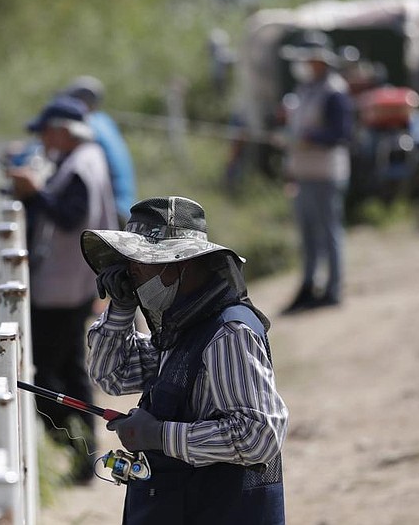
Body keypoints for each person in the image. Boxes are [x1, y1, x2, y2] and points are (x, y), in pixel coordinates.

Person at [80, 196, 288, 524]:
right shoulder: (180, 329)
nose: (131, 273)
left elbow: (260, 435)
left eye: (141, 261)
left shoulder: (228, 333)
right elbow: (111, 375)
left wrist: (161, 436)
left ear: (181, 264)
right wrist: (120, 308)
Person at [8, 94, 119, 483]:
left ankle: (74, 451)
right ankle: (83, 455)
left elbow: (71, 217)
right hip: (71, 285)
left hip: (61, 289)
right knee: (71, 370)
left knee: (48, 377)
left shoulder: (79, 166)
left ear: (61, 131)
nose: (42, 140)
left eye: (45, 132)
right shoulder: (86, 159)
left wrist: (34, 193)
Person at [279, 30, 355, 314]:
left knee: (329, 233)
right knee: (308, 235)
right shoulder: (305, 89)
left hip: (326, 175)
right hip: (303, 173)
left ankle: (333, 289)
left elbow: (342, 134)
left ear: (320, 61)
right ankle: (309, 285)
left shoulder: (335, 91)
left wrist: (311, 138)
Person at [64, 75, 137, 227]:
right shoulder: (104, 120)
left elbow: (61, 147)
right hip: (126, 206)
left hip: (113, 210)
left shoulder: (88, 125)